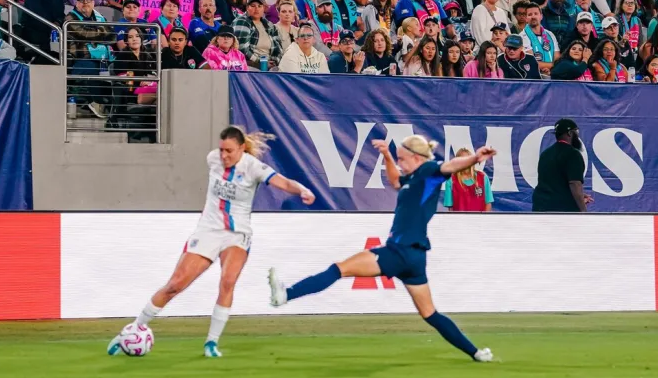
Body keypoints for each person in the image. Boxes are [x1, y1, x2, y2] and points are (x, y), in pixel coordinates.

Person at [267, 135, 496, 363]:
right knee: (430, 314)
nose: (399, 164)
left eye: (401, 159)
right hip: (414, 258)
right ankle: (476, 353)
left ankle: (286, 294)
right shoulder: (413, 179)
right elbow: (395, 181)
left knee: (338, 269)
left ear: (416, 157)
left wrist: (475, 157)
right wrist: (387, 156)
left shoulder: (428, 171)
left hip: (400, 251)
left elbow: (450, 165)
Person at [108, 127, 314, 358]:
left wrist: (302, 190)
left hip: (237, 234)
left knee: (227, 281)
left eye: (229, 151)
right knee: (175, 285)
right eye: (221, 149)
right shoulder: (213, 159)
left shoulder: (253, 167)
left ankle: (211, 343)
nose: (223, 155)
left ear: (242, 148)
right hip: (208, 231)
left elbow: (284, 183)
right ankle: (132, 330)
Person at [532, 118, 590, 212]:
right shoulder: (573, 154)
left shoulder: (546, 154)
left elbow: (553, 183)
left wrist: (577, 196)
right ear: (570, 133)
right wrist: (583, 211)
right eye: (576, 131)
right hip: (561, 211)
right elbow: (575, 184)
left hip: (540, 207)